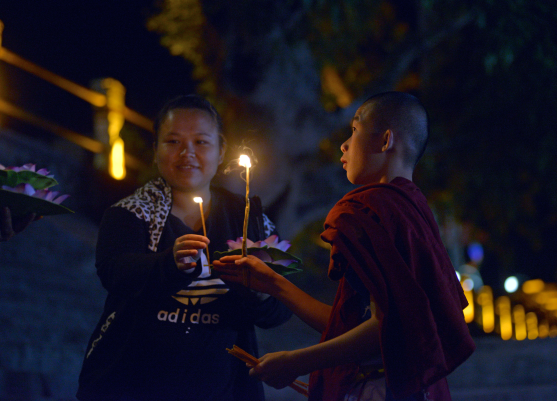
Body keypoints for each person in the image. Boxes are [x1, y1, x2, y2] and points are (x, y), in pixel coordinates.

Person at [213, 92, 476, 401]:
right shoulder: (415, 209)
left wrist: (295, 363)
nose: (344, 145)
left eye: (354, 130)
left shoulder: (366, 209)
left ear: (385, 141)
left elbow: (386, 330)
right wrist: (275, 284)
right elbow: (355, 325)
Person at [77, 94, 292, 401]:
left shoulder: (249, 220)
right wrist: (169, 264)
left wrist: (262, 291)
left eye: (201, 142)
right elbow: (115, 273)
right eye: (173, 141)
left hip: (222, 390)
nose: (186, 153)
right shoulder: (129, 213)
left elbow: (280, 308)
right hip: (131, 386)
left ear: (221, 150)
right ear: (155, 150)